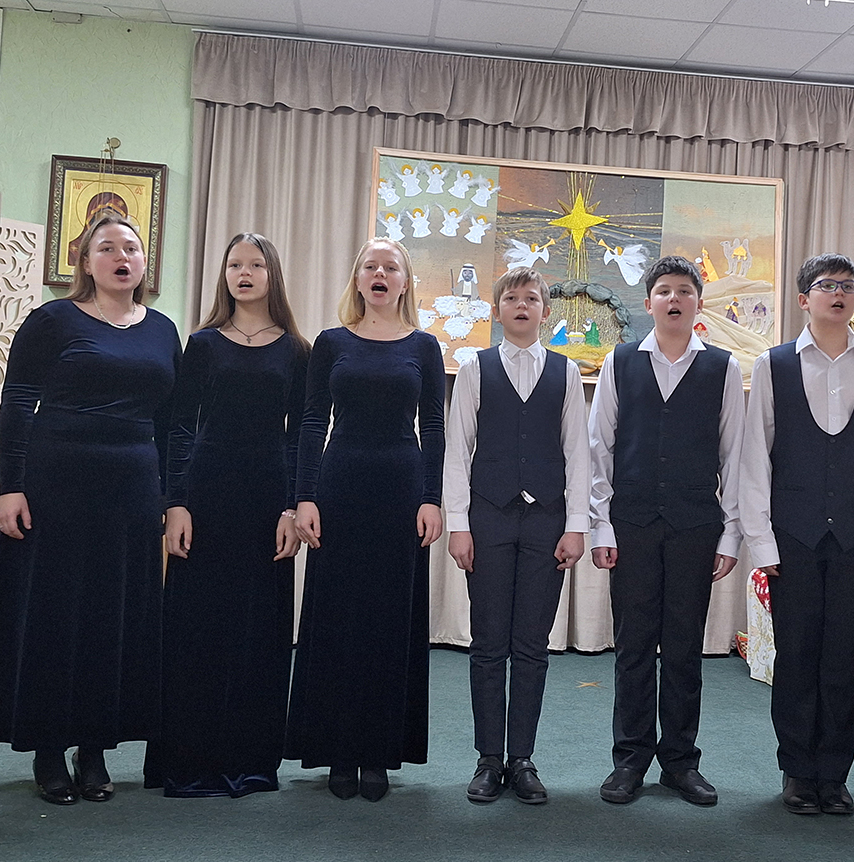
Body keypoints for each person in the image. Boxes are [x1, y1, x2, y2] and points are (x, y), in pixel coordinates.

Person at [0, 209, 181, 805]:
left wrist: (169, 498)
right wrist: (11, 486)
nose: (121, 257)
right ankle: (47, 747)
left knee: (114, 617)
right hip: (56, 486)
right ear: (84, 262)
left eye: (131, 248)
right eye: (106, 247)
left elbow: (171, 423)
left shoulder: (163, 330)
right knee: (54, 614)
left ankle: (94, 748)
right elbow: (17, 403)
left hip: (132, 492)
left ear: (144, 262)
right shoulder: (52, 320)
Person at [738, 252, 854, 816]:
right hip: (792, 536)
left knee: (841, 658)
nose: (838, 293)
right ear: (803, 299)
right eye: (825, 285)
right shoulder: (774, 365)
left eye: (848, 285)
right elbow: (754, 459)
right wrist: (761, 541)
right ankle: (797, 771)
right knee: (796, 656)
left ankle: (834, 777)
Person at [146, 233, 310, 798]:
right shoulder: (202, 344)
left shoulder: (296, 350)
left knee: (259, 630)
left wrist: (292, 506)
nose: (244, 273)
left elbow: (299, 436)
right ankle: (186, 760)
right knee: (195, 628)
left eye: (255, 264)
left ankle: (250, 759)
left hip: (267, 500)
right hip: (205, 496)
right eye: (235, 264)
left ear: (272, 274)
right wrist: (175, 502)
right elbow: (178, 428)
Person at [286, 237, 445, 802]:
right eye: (370, 266)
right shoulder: (331, 343)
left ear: (404, 282)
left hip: (401, 491)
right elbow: (311, 422)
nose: (380, 273)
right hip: (339, 487)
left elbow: (434, 426)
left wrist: (432, 497)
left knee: (389, 620)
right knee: (336, 616)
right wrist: (304, 496)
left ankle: (378, 751)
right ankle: (336, 748)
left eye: (391, 267)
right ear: (358, 279)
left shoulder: (425, 346)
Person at [589, 256, 744, 807]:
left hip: (695, 526)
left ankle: (680, 761)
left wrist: (731, 535)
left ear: (698, 302)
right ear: (649, 302)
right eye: (663, 291)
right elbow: (599, 448)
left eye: (684, 290)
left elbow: (736, 456)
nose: (673, 299)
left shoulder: (723, 368)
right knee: (633, 647)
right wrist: (600, 525)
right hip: (630, 524)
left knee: (683, 648)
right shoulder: (620, 361)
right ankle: (629, 759)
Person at [443, 268, 589, 805]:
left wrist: (576, 526)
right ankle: (488, 758)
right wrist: (458, 524)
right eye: (512, 298)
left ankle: (522, 758)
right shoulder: (473, 368)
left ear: (546, 312)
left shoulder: (566, 372)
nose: (522, 305)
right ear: (497, 310)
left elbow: (578, 453)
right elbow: (457, 450)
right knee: (487, 644)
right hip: (488, 519)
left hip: (547, 522)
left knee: (531, 645)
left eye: (531, 299)